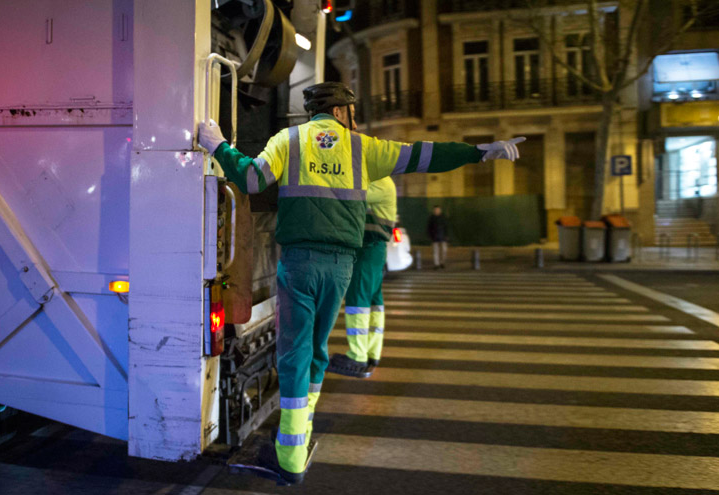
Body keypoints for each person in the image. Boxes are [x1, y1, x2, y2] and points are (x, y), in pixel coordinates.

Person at [198, 82, 523, 485]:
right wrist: (479, 152)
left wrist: (217, 145)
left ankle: (290, 456)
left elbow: (250, 179)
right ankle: (300, 434)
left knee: (295, 354)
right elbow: (426, 155)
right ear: (340, 111)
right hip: (341, 267)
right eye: (352, 112)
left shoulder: (289, 140)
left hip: (300, 264)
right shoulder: (364, 148)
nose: (355, 119)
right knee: (316, 351)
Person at [326, 176, 396, 379]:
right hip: (373, 249)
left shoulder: (381, 182)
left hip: (368, 247)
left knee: (358, 299)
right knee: (374, 302)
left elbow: (351, 196)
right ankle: (372, 352)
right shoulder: (381, 181)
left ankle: (357, 356)